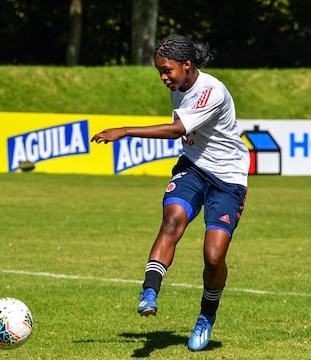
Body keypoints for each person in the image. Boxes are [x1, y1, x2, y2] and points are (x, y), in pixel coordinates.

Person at [91, 34, 249, 352]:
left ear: (186, 65)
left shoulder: (211, 91)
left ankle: (207, 315)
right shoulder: (179, 88)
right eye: (160, 72)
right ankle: (149, 290)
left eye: (167, 71)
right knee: (172, 220)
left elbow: (178, 130)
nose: (164, 78)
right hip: (192, 169)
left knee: (214, 256)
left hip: (229, 179)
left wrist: (124, 130)